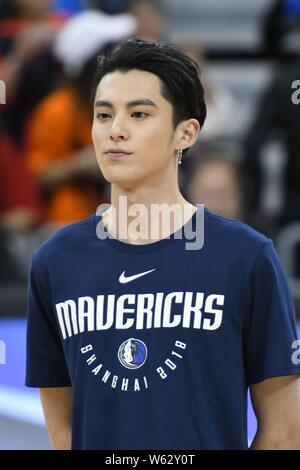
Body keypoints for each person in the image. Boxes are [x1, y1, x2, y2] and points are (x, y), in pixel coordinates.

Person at [26, 39, 300, 450]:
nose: (115, 129)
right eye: (104, 114)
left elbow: (284, 430)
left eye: (138, 114)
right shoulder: (54, 261)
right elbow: (63, 430)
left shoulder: (246, 257)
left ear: (185, 133)